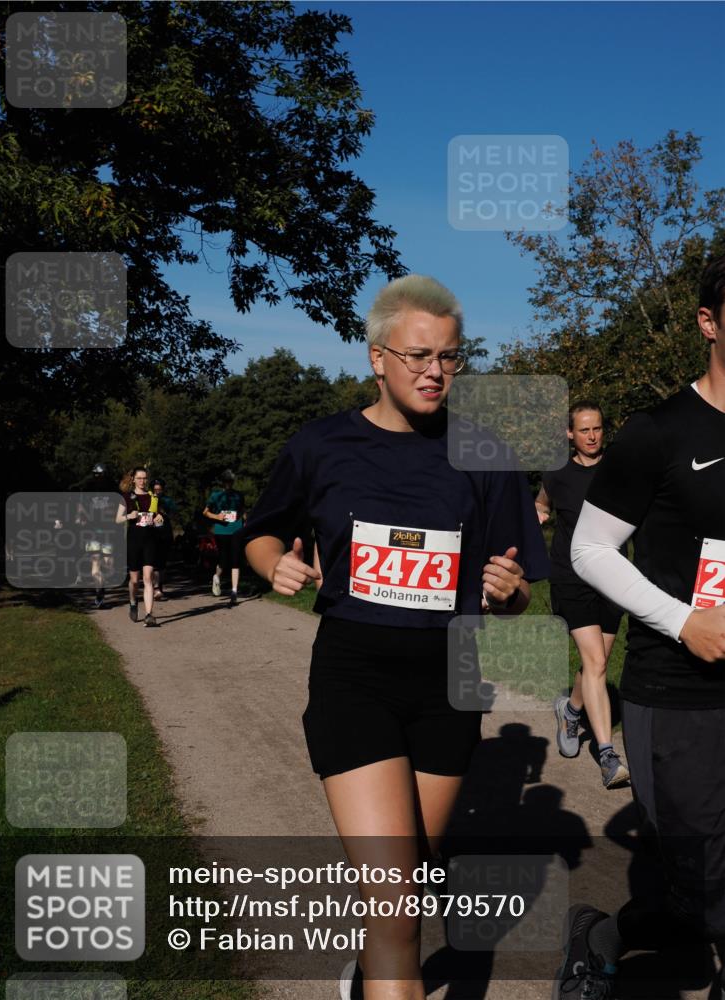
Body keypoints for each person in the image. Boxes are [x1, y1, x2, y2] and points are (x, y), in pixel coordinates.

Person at [243, 275, 551, 1000]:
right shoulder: (321, 444)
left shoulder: (486, 454)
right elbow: (259, 530)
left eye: (449, 357)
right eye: (417, 356)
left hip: (450, 682)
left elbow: (517, 587)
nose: (435, 372)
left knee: (411, 875)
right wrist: (273, 564)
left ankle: (370, 975)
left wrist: (511, 595)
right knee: (398, 904)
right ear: (377, 357)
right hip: (356, 676)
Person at [554, 255, 725, 999]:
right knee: (708, 884)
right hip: (681, 690)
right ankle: (603, 937)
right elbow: (588, 548)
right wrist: (684, 620)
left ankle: (611, 935)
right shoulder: (657, 434)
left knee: (709, 894)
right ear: (709, 322)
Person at [535, 403, 630, 789]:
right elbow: (542, 504)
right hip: (571, 577)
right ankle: (608, 755)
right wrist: (535, 517)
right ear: (569, 434)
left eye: (598, 429)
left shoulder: (620, 471)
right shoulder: (557, 474)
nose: (592, 436)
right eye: (584, 430)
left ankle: (571, 709)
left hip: (613, 577)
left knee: (599, 662)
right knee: (595, 661)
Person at [115, 467, 165, 627]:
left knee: (148, 577)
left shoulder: (153, 497)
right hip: (134, 541)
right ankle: (132, 602)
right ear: (134, 480)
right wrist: (129, 516)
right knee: (134, 580)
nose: (143, 481)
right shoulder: (127, 497)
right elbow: (117, 519)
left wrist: (159, 520)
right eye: (139, 478)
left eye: (145, 478)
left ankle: (149, 614)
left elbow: (158, 516)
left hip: (150, 541)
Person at [73, 462, 119, 609]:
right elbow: (81, 505)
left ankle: (102, 585)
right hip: (93, 531)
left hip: (109, 531)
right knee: (95, 564)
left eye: (100, 475)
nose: (98, 477)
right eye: (96, 474)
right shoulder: (88, 488)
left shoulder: (112, 488)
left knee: (108, 565)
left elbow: (120, 506)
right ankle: (99, 592)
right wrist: (80, 516)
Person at [203, 470, 246, 606]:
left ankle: (234, 591)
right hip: (221, 530)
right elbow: (205, 512)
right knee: (223, 559)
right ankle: (217, 577)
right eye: (226, 481)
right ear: (222, 482)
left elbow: (243, 511)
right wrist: (217, 517)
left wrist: (246, 523)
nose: (228, 484)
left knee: (235, 559)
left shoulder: (238, 495)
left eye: (231, 481)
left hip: (236, 529)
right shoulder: (216, 495)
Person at [150, 478, 177, 600]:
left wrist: (164, 513)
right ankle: (154, 587)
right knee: (153, 562)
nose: (157, 491)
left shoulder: (168, 500)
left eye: (159, 489)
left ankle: (159, 587)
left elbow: (173, 514)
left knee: (162, 563)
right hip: (151, 533)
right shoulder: (148, 498)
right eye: (155, 489)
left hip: (164, 533)